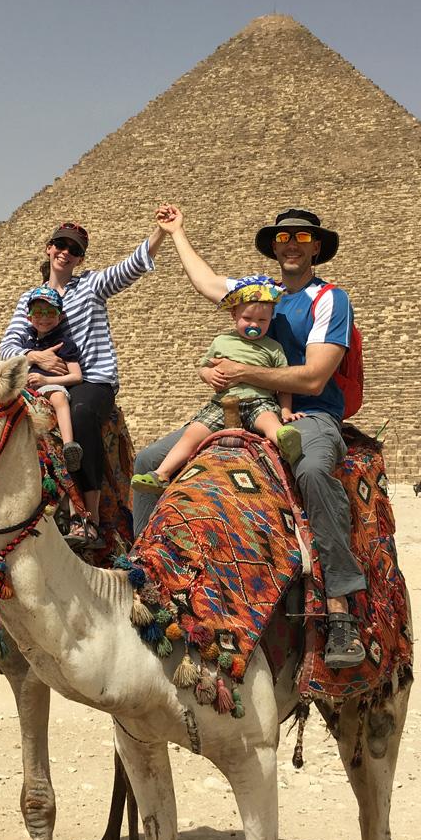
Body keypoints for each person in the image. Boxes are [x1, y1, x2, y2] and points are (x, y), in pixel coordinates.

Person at [137, 204, 366, 669]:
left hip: (308, 414)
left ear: (317, 248)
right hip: (234, 408)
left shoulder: (329, 300)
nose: (292, 245)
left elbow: (316, 378)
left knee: (315, 471)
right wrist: (177, 232)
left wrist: (244, 369)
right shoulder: (261, 293)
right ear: (274, 246)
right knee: (147, 462)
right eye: (284, 238)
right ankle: (146, 583)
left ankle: (341, 610)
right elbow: (209, 284)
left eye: (303, 239)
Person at [0, 216, 170, 546]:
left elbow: (130, 267)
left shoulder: (91, 285)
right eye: (60, 245)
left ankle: (86, 517)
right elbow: (7, 348)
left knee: (79, 416)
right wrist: (37, 357)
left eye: (74, 250)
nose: (66, 252)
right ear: (49, 249)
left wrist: (161, 232)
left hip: (92, 380)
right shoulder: (30, 300)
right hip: (44, 380)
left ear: (80, 258)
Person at [129, 276, 302, 493]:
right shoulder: (221, 341)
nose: (254, 325)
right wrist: (209, 374)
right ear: (234, 314)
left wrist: (286, 411)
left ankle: (286, 443)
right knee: (192, 433)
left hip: (259, 401)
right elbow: (203, 367)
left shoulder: (274, 347)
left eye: (262, 321)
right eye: (247, 318)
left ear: (271, 319)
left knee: (270, 422)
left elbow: (284, 383)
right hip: (222, 403)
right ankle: (161, 473)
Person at [14, 284, 84, 472]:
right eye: (38, 313)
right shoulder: (25, 340)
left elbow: (77, 376)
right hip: (24, 389)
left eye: (50, 313)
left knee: (59, 398)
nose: (44, 318)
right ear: (29, 317)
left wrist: (47, 381)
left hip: (50, 385)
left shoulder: (64, 343)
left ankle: (70, 446)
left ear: (60, 317)